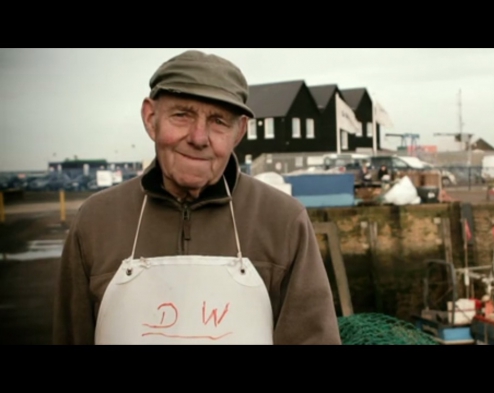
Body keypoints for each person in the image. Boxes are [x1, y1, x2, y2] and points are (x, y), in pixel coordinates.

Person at [52, 50, 342, 345]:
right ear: (151, 119)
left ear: (239, 132)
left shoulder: (284, 221)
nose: (199, 137)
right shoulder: (96, 221)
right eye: (182, 115)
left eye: (218, 121)